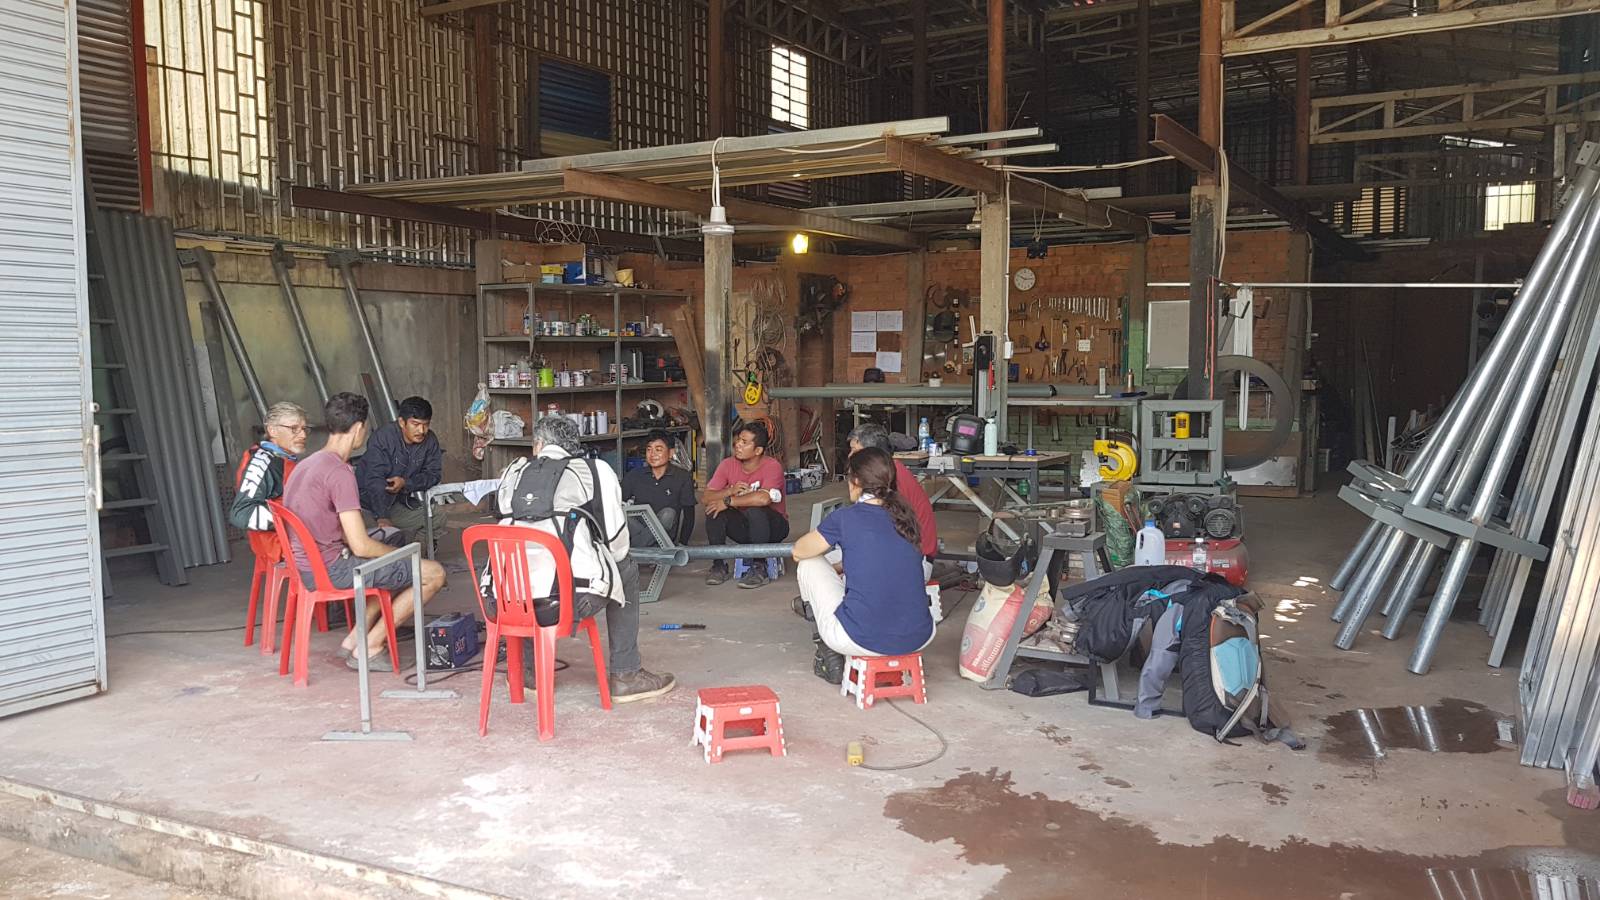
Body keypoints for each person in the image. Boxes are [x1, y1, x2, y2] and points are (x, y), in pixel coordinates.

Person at [498, 415, 676, 703]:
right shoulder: (594, 471)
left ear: (537, 446)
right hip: (569, 602)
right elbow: (617, 543)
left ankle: (528, 672)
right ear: (575, 447)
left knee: (524, 569)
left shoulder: (513, 472)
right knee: (625, 567)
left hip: (506, 602)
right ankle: (626, 674)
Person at [283, 393, 447, 669]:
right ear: (359, 428)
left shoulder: (306, 465)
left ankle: (352, 640)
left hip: (307, 564)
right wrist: (401, 555)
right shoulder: (339, 472)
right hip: (330, 569)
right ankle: (371, 646)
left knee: (390, 551)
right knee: (432, 573)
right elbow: (360, 546)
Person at [792, 447, 936, 683]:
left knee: (810, 563)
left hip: (862, 639)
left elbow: (799, 551)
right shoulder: (906, 516)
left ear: (856, 481)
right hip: (920, 635)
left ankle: (827, 651)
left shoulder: (846, 517)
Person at [702, 422, 790, 589]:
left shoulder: (772, 466)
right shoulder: (727, 464)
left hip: (773, 528)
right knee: (714, 508)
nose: (738, 445)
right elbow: (706, 497)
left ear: (758, 450)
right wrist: (730, 491)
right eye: (738, 440)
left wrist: (728, 501)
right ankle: (718, 565)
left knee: (755, 509)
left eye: (744, 442)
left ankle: (759, 566)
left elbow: (764, 499)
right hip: (744, 528)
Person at [847, 422, 939, 574]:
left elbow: (879, 533)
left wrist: (843, 565)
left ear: (871, 454)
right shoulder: (887, 470)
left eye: (854, 450)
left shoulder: (891, 477)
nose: (850, 456)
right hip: (899, 554)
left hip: (913, 561)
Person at [355, 395, 443, 542]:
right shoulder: (383, 437)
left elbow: (434, 474)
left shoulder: (430, 440)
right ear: (402, 422)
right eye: (415, 424)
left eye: (426, 424)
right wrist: (382, 516)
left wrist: (406, 483)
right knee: (374, 539)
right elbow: (374, 479)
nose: (421, 430)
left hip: (394, 504)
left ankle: (417, 553)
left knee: (437, 518)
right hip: (365, 506)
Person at [229, 401, 309, 532]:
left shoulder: (282, 458)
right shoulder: (262, 461)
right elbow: (241, 513)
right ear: (272, 430)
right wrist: (296, 519)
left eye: (304, 429)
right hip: (277, 544)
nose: (303, 435)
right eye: (294, 429)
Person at [621, 430, 697, 547]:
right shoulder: (635, 475)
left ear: (671, 453)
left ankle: (638, 548)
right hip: (638, 527)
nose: (652, 454)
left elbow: (689, 514)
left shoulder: (682, 476)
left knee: (668, 514)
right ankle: (652, 548)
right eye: (649, 449)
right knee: (621, 512)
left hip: (666, 531)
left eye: (658, 449)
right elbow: (618, 502)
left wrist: (683, 543)